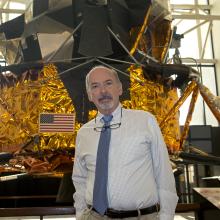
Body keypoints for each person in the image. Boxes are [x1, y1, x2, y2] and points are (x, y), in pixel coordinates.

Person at [72, 65, 178, 220]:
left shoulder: (145, 121)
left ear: (120, 89)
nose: (103, 91)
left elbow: (163, 172)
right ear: (90, 95)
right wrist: (81, 214)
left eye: (108, 83)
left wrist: (166, 216)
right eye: (95, 86)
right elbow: (80, 178)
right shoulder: (84, 133)